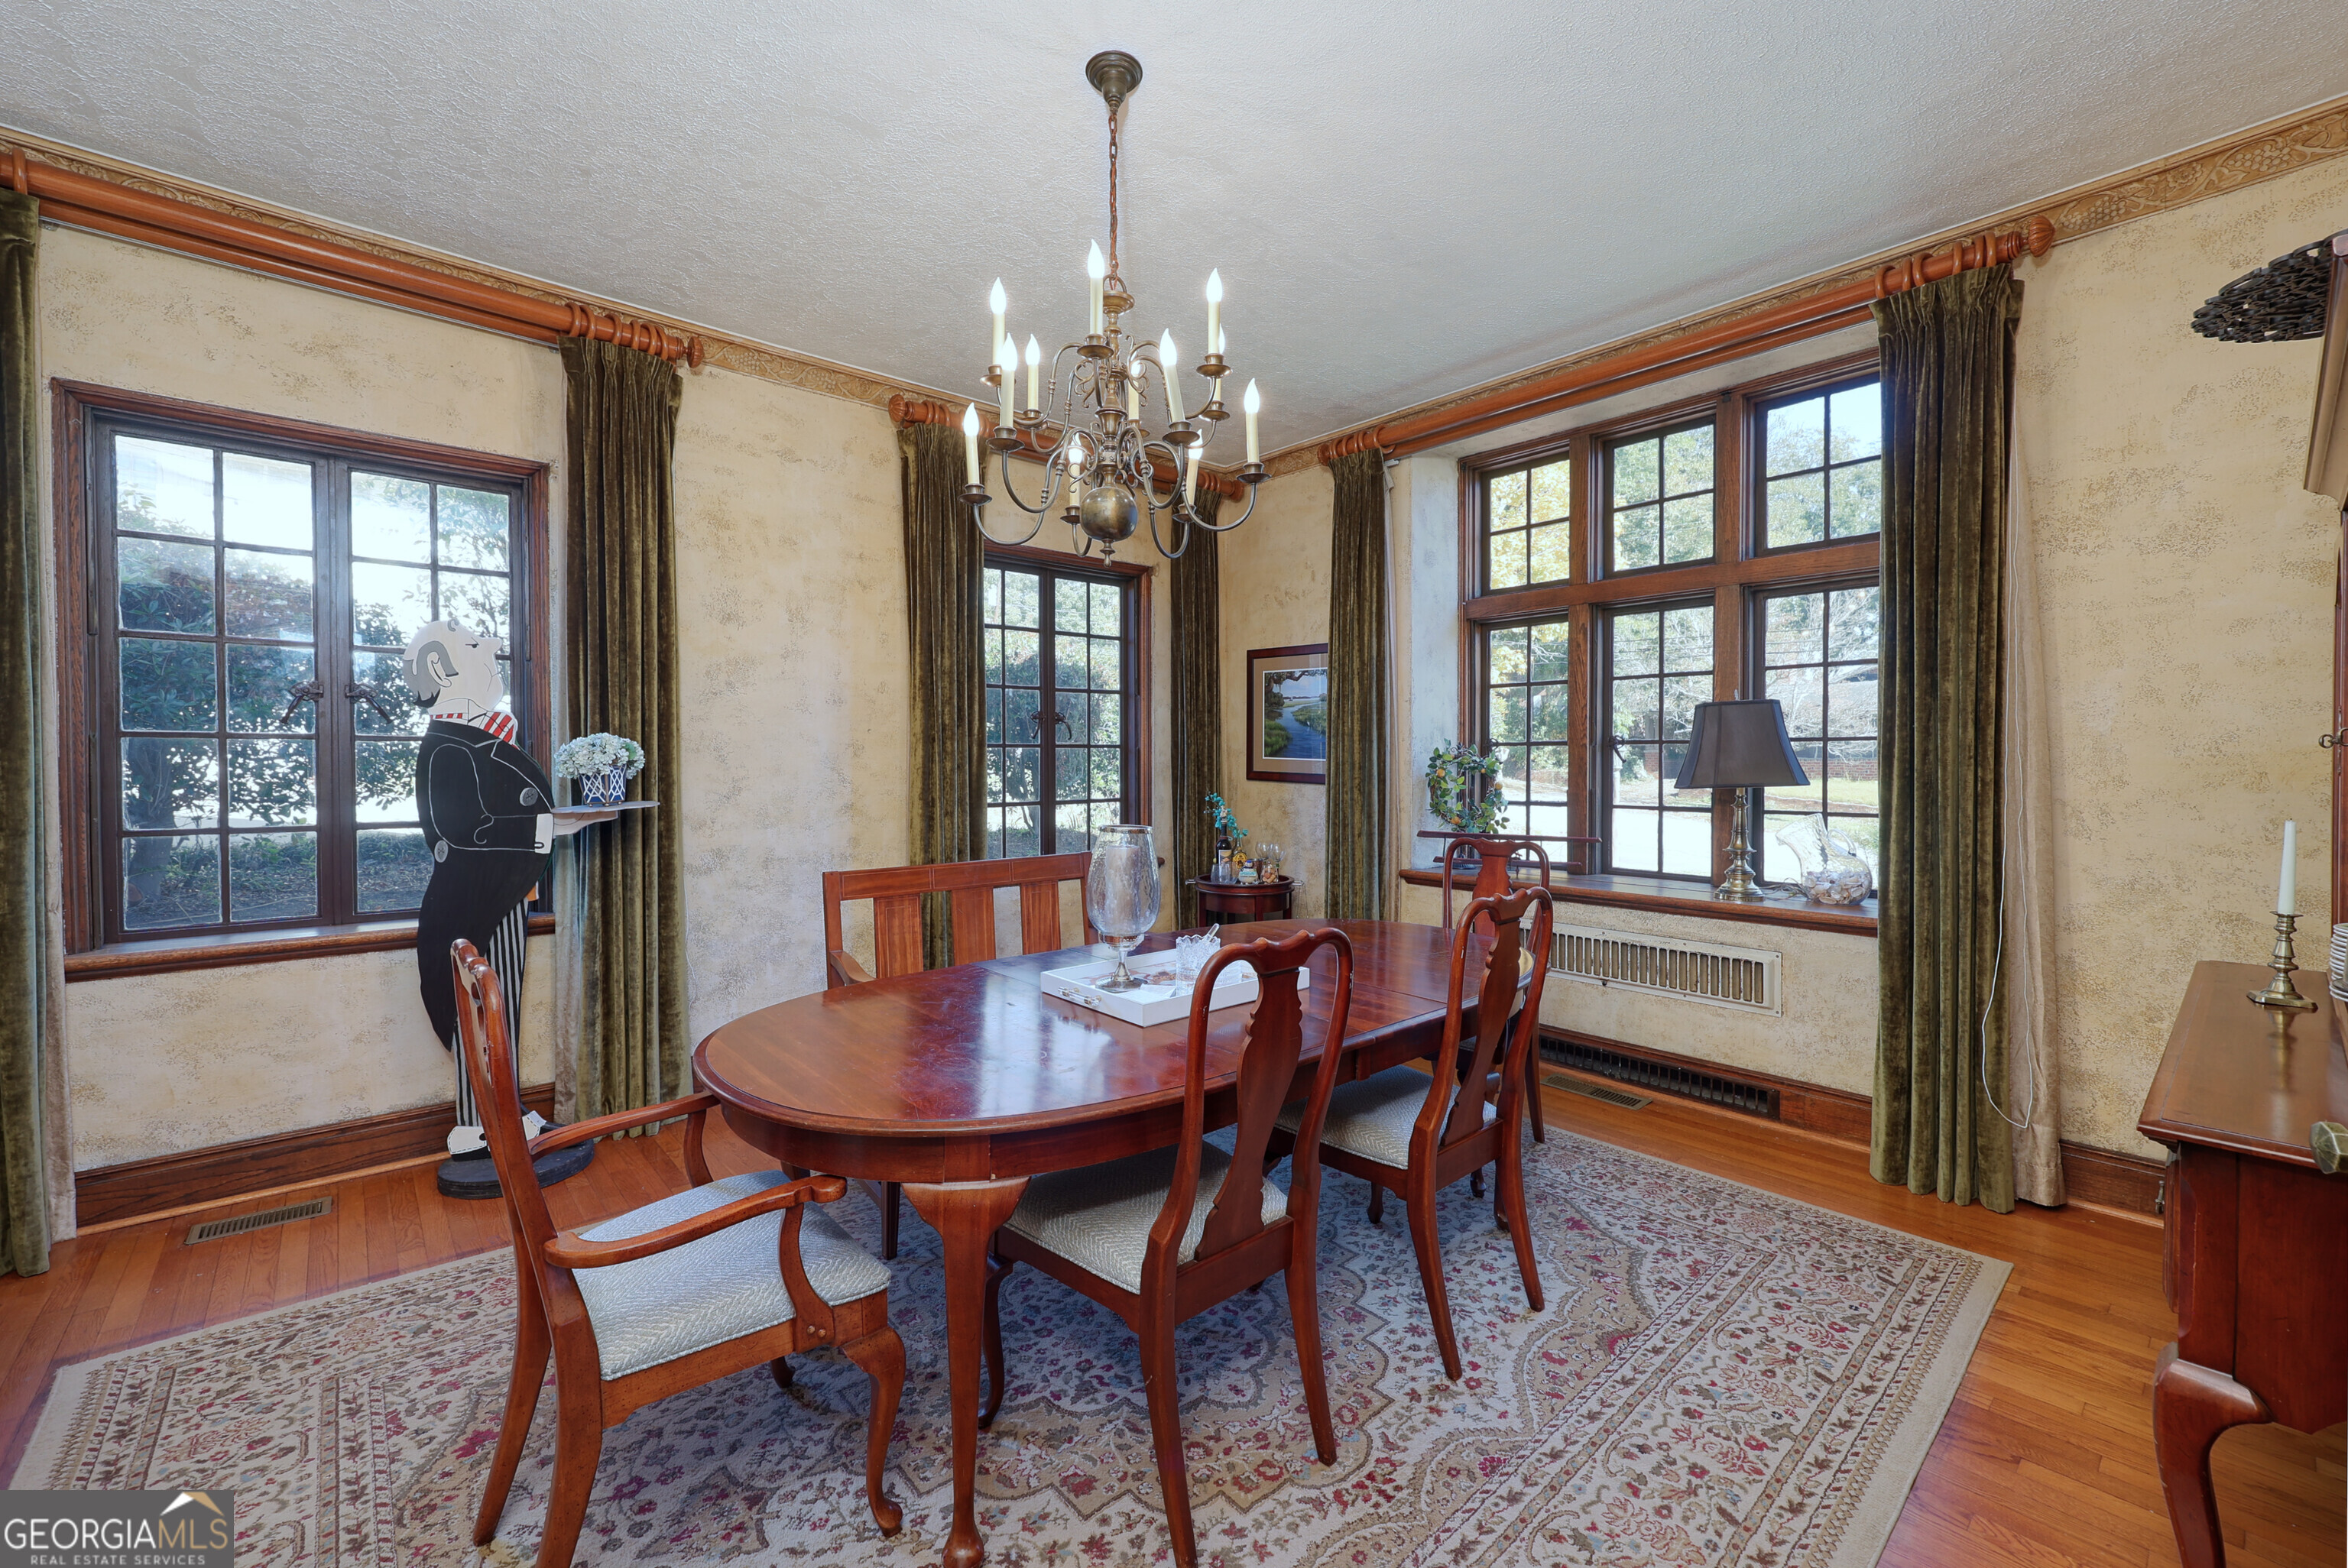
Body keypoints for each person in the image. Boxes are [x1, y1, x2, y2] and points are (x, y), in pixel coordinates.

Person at [404, 619, 556, 1169]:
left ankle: (500, 1115)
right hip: (476, 901)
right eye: (473, 646)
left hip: (502, 893)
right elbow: (460, 829)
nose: (491, 650)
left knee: (499, 1010)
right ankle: (478, 1125)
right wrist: (544, 827)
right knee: (481, 1012)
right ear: (440, 669)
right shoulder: (449, 746)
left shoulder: (478, 736)